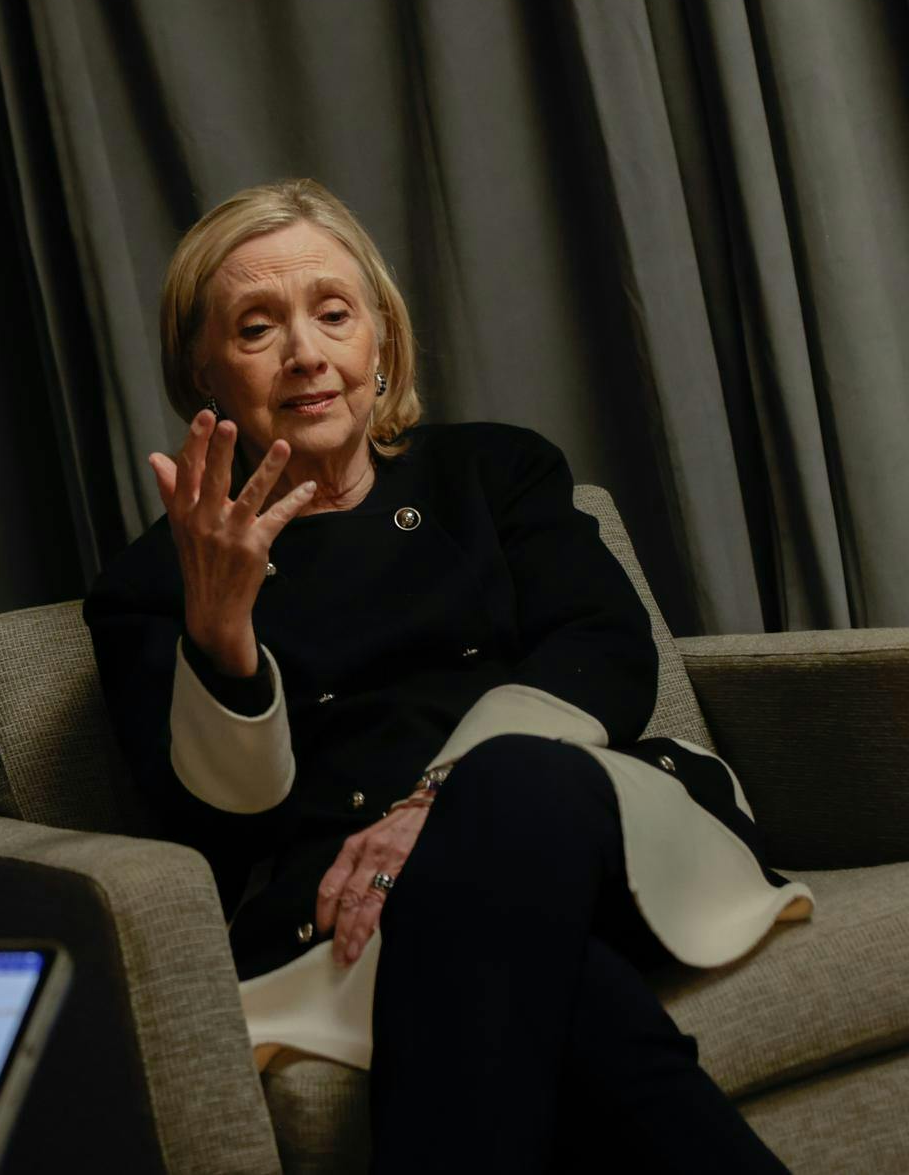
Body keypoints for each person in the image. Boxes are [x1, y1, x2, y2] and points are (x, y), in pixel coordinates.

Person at [84, 178, 811, 1172]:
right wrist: (218, 632)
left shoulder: (496, 473)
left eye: (333, 313)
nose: (306, 352)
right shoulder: (152, 582)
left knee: (509, 784)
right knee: (565, 993)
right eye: (256, 327)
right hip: (353, 912)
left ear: (380, 338)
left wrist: (437, 802)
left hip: (596, 828)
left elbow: (605, 648)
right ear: (202, 371)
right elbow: (218, 827)